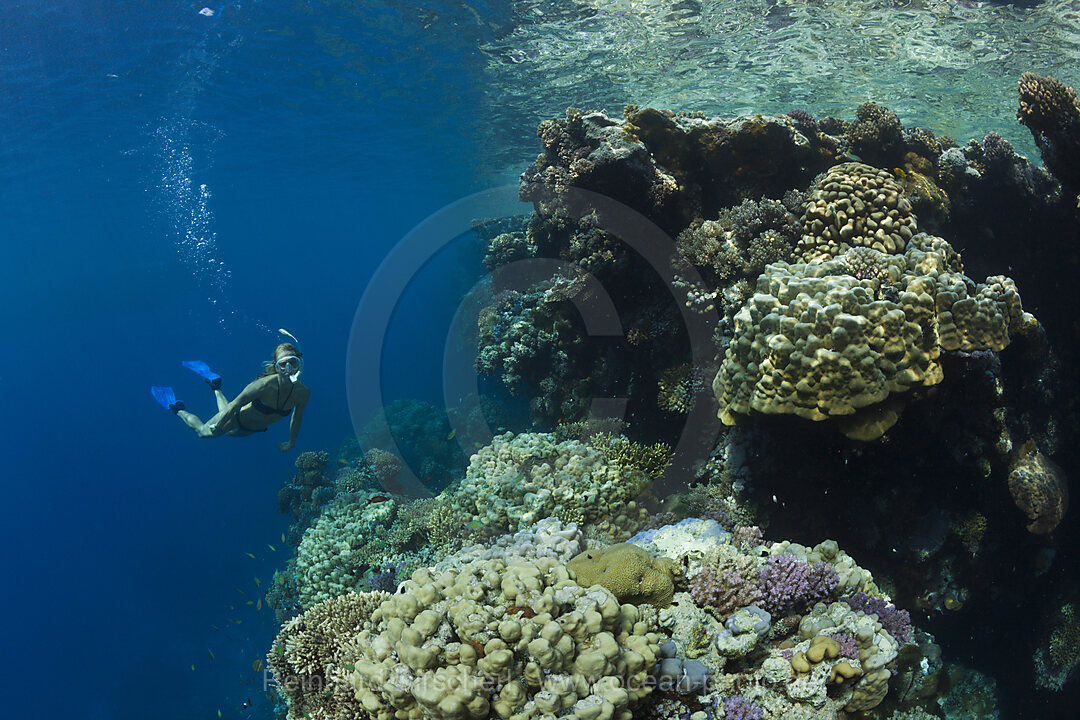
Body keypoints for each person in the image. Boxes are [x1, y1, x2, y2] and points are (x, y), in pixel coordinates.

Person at [151, 342, 309, 452]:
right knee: (201, 432)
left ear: (299, 364)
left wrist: (292, 442)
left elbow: (297, 417)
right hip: (235, 420)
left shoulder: (302, 393)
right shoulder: (263, 386)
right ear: (276, 366)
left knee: (223, 410)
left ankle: (215, 385)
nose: (288, 368)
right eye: (283, 364)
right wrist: (219, 425)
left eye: (292, 363)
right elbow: (234, 405)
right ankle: (176, 408)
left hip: (252, 429)